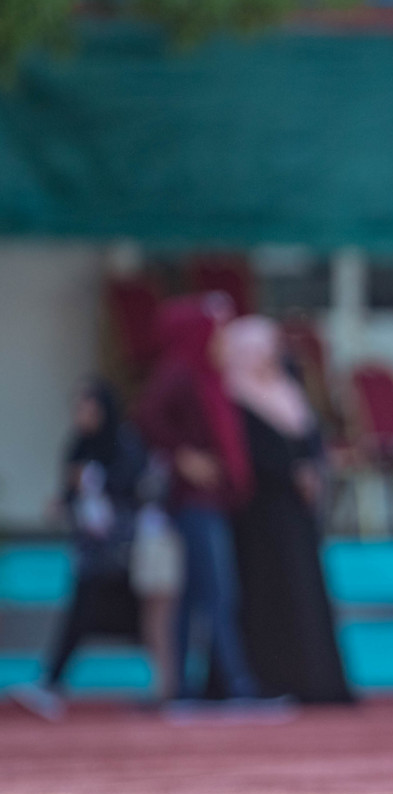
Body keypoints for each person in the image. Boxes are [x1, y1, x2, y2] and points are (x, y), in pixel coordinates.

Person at [136, 295, 264, 704]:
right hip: (192, 502)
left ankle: (184, 686)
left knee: (195, 596)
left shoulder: (210, 376)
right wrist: (181, 457)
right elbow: (146, 418)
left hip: (211, 500)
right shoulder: (180, 372)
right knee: (216, 595)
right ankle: (234, 684)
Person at [222, 316, 354, 704]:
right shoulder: (233, 395)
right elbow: (245, 453)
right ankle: (267, 677)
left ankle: (315, 680)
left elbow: (311, 439)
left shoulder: (287, 391)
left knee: (304, 594)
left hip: (296, 515)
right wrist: (287, 472)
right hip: (260, 515)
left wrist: (314, 469)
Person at [8, 380, 148, 721]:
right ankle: (52, 683)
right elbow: (70, 494)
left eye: (86, 408)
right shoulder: (78, 446)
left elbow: (135, 488)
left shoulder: (123, 445)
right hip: (91, 552)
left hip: (126, 549)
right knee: (82, 612)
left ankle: (177, 687)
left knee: (136, 615)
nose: (80, 416)